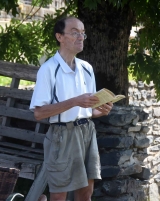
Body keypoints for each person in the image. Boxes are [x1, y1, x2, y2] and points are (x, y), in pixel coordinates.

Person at [29, 16, 113, 201]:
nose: (80, 37)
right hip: (62, 135)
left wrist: (101, 110)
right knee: (59, 196)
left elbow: (89, 110)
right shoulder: (49, 69)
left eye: (83, 33)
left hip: (87, 132)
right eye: (75, 33)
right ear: (59, 37)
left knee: (85, 194)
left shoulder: (87, 68)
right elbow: (39, 113)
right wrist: (75, 101)